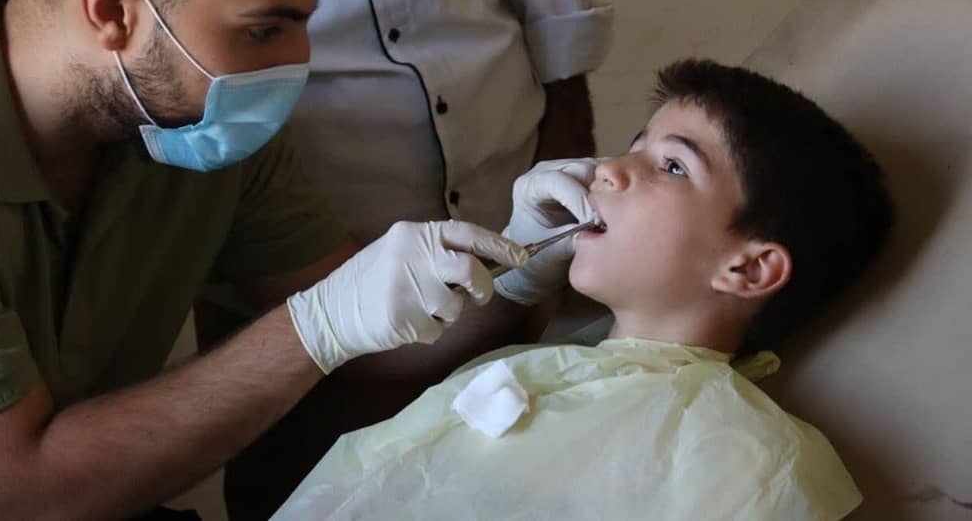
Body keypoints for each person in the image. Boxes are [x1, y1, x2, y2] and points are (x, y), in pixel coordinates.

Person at [0, 0, 599, 518]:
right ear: (112, 6)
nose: (297, 64)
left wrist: (522, 262)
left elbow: (371, 338)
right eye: (264, 31)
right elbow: (9, 490)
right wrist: (317, 326)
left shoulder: (199, 127)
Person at [273, 59, 896, 520]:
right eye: (634, 146)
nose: (608, 169)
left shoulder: (748, 461)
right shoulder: (532, 365)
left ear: (749, 270)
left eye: (671, 165)